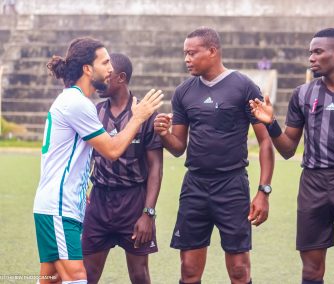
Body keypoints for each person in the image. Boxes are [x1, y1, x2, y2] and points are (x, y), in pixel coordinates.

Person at [250, 28, 334, 284]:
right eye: (310, 52)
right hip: (312, 185)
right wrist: (271, 124)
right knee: (311, 272)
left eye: (317, 52)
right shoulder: (302, 94)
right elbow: (288, 149)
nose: (311, 58)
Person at [33, 37, 163, 284]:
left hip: (56, 206)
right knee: (78, 279)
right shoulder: (77, 103)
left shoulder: (74, 101)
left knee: (51, 280)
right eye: (104, 62)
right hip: (59, 207)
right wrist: (138, 117)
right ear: (87, 69)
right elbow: (112, 150)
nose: (110, 69)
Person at [154, 27, 275, 284]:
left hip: (232, 186)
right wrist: (164, 134)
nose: (186, 59)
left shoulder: (243, 87)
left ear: (212, 51)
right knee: (188, 269)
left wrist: (263, 191)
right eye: (184, 53)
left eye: (192, 53)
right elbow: (178, 147)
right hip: (195, 185)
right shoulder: (183, 92)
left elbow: (265, 141)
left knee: (240, 270)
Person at [81, 53, 163, 284]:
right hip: (99, 201)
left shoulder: (144, 114)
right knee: (87, 275)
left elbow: (156, 166)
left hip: (133, 202)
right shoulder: (94, 112)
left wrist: (148, 213)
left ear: (121, 78)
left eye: (106, 76)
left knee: (139, 275)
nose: (99, 81)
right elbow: (86, 157)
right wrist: (82, 189)